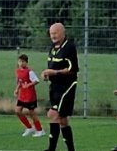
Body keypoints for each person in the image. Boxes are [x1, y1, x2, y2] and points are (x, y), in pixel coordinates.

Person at [41, 22, 79, 151]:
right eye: (51, 33)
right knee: (62, 120)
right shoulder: (52, 48)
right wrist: (47, 73)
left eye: (55, 33)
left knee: (53, 114)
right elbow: (52, 66)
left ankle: (51, 149)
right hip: (55, 86)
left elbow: (72, 69)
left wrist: (54, 72)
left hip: (66, 86)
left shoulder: (69, 47)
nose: (53, 36)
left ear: (63, 33)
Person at [14, 54, 45, 137]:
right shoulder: (18, 71)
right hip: (22, 95)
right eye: (19, 61)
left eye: (23, 62)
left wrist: (28, 85)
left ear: (26, 62)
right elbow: (20, 82)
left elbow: (36, 81)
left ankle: (40, 130)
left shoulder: (29, 72)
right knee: (17, 111)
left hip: (30, 96)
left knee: (31, 113)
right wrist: (17, 89)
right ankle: (29, 127)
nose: (21, 63)